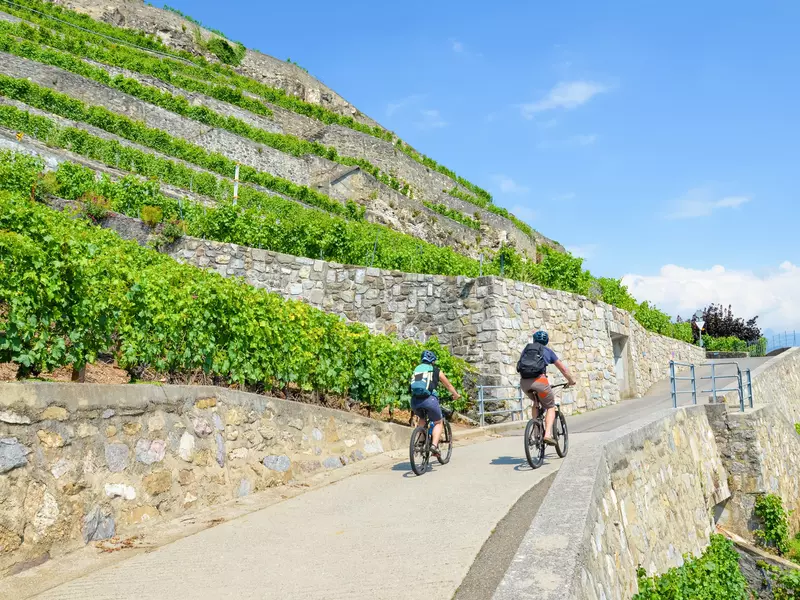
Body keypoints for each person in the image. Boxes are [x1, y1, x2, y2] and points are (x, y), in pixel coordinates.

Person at [517, 330, 576, 446]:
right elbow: (563, 369)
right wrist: (571, 381)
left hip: (524, 383)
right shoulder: (548, 351)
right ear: (546, 341)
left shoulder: (527, 349)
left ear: (534, 340)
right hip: (540, 382)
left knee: (535, 401)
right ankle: (547, 435)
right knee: (550, 406)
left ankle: (535, 432)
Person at [409, 350, 461, 457]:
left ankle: (419, 443)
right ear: (433, 361)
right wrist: (456, 395)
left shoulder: (418, 370)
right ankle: (434, 446)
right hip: (429, 400)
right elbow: (449, 386)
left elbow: (418, 387)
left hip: (415, 401)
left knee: (422, 419)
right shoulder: (436, 371)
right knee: (438, 422)